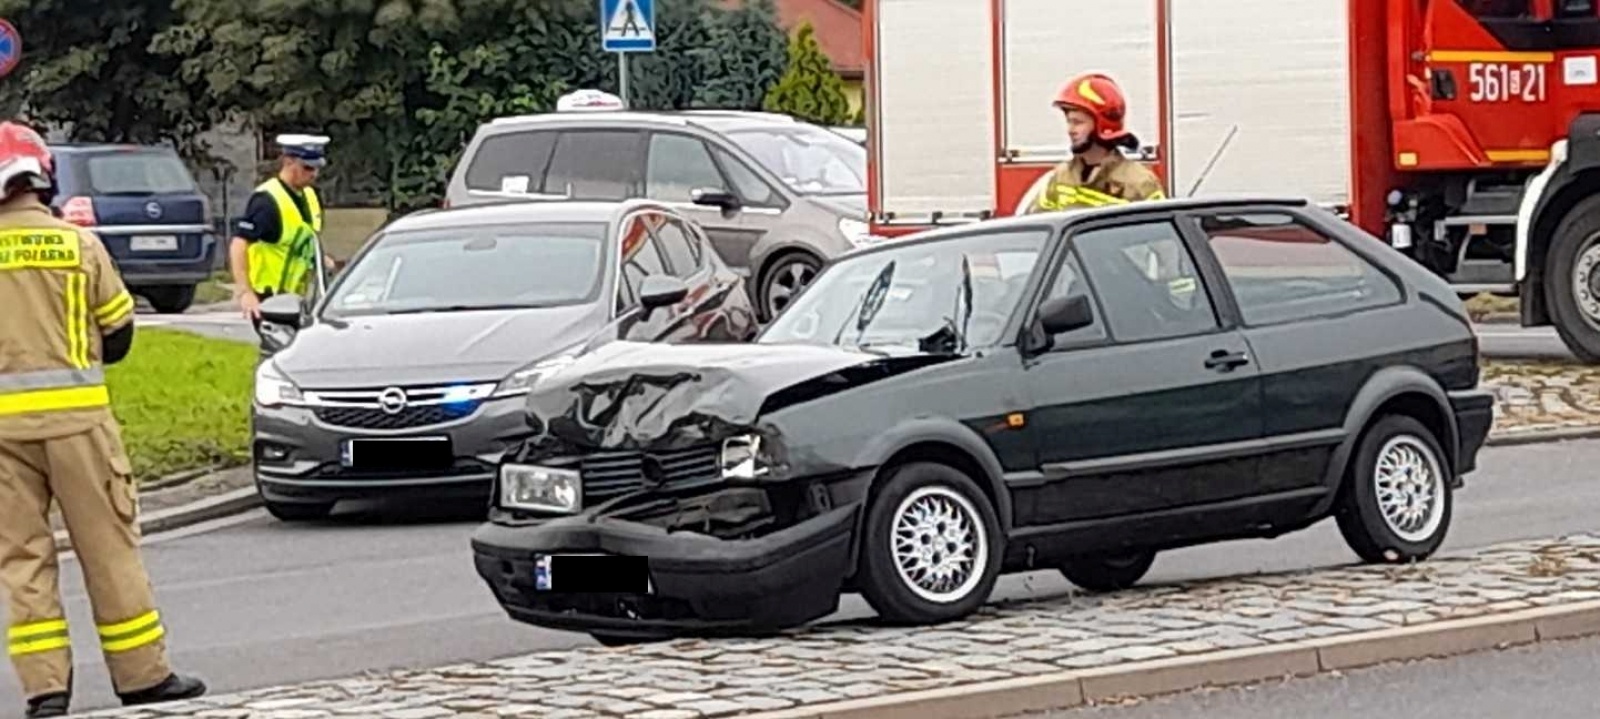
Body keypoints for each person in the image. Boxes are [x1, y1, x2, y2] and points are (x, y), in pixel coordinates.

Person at [0, 121, 207, 717]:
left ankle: (45, 693)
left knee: (22, 561)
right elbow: (119, 334)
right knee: (109, 552)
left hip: (5, 438)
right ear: (44, 177)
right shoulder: (78, 245)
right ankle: (142, 677)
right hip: (79, 427)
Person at [1016, 72, 1167, 215]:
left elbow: (1159, 237)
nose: (1070, 130)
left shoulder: (1138, 183)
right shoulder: (1060, 177)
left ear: (1103, 126)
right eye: (1069, 122)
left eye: (1078, 122)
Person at [229, 133, 336, 328]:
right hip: (270, 300)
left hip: (298, 300)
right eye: (307, 168)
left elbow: (301, 239)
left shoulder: (310, 196)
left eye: (317, 168)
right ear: (288, 162)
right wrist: (245, 292)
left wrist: (321, 260)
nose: (313, 174)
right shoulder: (267, 200)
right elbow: (239, 244)